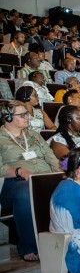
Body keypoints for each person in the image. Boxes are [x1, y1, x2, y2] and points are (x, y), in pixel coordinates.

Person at [0, 100, 60, 261]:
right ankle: (28, 245)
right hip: (15, 182)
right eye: (22, 115)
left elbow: (49, 155)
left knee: (73, 184)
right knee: (27, 192)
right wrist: (18, 171)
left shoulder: (33, 134)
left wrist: (59, 170)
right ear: (8, 118)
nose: (28, 117)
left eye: (26, 113)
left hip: (43, 177)